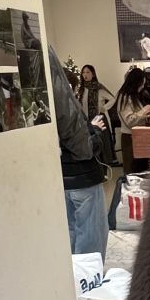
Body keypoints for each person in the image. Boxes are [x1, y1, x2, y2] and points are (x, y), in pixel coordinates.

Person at [48, 46, 109, 261]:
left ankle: (78, 277)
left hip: (63, 178)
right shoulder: (63, 101)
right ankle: (89, 278)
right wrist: (96, 132)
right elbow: (81, 146)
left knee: (73, 234)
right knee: (91, 239)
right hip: (82, 178)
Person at [116, 67, 150, 175]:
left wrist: (149, 115)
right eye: (141, 84)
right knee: (132, 172)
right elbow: (129, 120)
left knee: (140, 171)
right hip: (130, 139)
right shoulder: (124, 97)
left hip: (138, 138)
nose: (143, 86)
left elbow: (136, 117)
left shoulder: (133, 97)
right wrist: (145, 111)